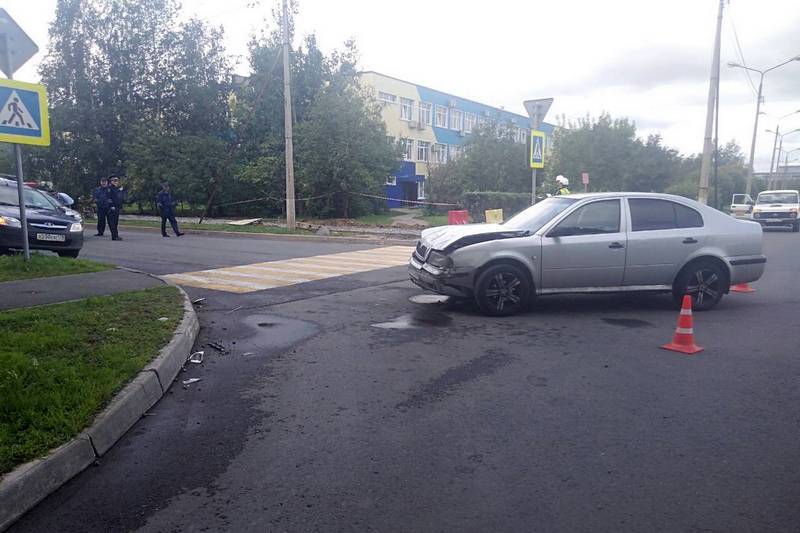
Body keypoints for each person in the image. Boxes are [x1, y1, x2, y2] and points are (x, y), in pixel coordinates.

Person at [107, 175, 124, 241]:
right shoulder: (110, 188)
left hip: (116, 207)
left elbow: (119, 199)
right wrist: (111, 206)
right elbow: (109, 198)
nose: (116, 182)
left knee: (115, 222)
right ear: (111, 181)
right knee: (112, 223)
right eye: (114, 180)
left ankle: (115, 235)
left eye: (117, 180)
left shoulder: (116, 188)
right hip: (112, 208)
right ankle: (114, 236)